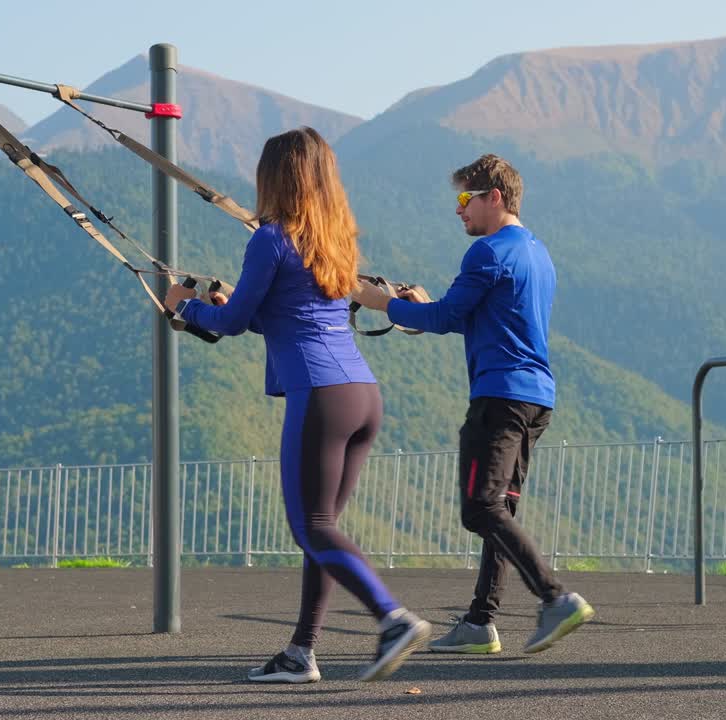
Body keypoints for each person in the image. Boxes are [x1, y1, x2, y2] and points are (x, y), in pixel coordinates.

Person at [164, 127, 429, 683]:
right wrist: (225, 304)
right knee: (323, 526)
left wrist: (185, 309)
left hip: (320, 395)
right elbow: (277, 313)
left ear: (274, 177)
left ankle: (392, 618)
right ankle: (301, 652)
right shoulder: (335, 239)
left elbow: (235, 324)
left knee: (310, 526)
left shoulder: (271, 238)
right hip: (362, 394)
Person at [351, 154, 594, 655]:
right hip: (535, 401)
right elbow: (471, 317)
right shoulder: (536, 253)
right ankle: (481, 623)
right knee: (500, 509)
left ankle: (555, 598)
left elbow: (443, 318)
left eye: (465, 200)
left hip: (498, 399)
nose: (458, 211)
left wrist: (381, 302)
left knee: (480, 507)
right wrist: (418, 306)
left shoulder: (486, 253)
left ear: (494, 198)